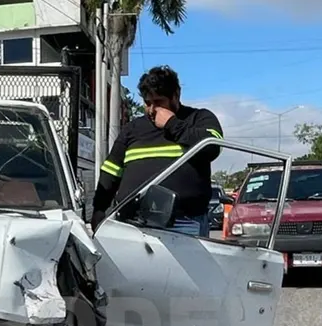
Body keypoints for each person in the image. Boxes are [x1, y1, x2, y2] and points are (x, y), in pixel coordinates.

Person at [91, 65, 225, 237]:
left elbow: (212, 147)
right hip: (133, 223)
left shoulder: (198, 119)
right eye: (147, 103)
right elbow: (111, 171)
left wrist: (172, 124)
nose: (152, 110)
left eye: (159, 102)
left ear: (176, 95)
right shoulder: (133, 128)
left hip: (184, 223)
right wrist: (99, 209)